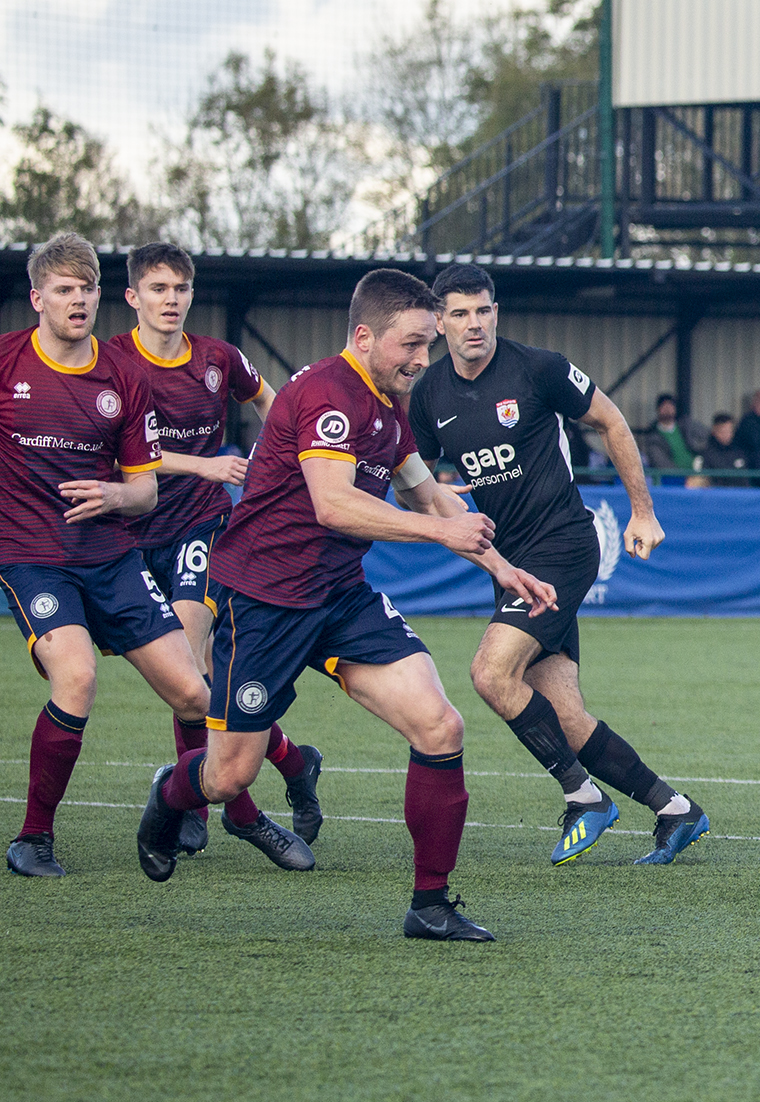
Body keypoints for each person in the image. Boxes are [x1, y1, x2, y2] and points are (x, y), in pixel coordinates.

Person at [134, 268, 556, 942]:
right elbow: (333, 502)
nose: (424, 359)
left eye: (428, 346)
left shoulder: (391, 403)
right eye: (412, 344)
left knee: (440, 726)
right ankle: (170, 792)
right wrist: (442, 529)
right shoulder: (329, 393)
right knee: (227, 773)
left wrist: (505, 568)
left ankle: (430, 904)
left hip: (339, 597)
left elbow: (430, 495)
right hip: (264, 603)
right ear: (364, 337)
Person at [0, 233, 298, 879]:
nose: (77, 301)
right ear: (38, 298)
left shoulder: (120, 378)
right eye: (63, 290)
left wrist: (114, 491)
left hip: (112, 555)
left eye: (85, 290)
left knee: (194, 693)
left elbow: (142, 491)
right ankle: (33, 837)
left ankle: (224, 810)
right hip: (32, 556)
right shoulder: (8, 362)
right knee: (76, 677)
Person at [410, 264, 708, 868]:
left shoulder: (537, 368)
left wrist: (642, 512)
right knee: (564, 718)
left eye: (484, 310)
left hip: (565, 546)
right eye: (461, 313)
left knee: (491, 675)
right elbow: (413, 478)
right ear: (438, 322)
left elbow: (611, 420)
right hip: (511, 563)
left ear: (498, 312)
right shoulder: (428, 394)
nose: (475, 324)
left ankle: (583, 797)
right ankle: (676, 810)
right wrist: (437, 501)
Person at [109, 242, 326, 856]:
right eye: (158, 289)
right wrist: (204, 464)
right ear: (133, 298)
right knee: (192, 683)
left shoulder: (218, 358)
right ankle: (291, 761)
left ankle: (211, 811)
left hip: (201, 527)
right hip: (130, 533)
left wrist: (282, 451)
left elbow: (270, 401)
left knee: (191, 665)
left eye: (180, 288)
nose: (171, 299)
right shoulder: (112, 363)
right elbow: (115, 452)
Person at [640, 393, 703, 473]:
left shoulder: (687, 426)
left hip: (697, 476)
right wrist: (682, 477)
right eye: (664, 406)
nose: (668, 409)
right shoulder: (653, 436)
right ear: (658, 409)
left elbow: (707, 439)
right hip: (671, 480)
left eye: (670, 406)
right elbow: (661, 463)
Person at [698, 413, 751, 485]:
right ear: (714, 430)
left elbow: (746, 479)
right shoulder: (707, 454)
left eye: (729, 431)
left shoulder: (739, 451)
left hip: (740, 494)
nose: (727, 435)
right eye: (723, 431)